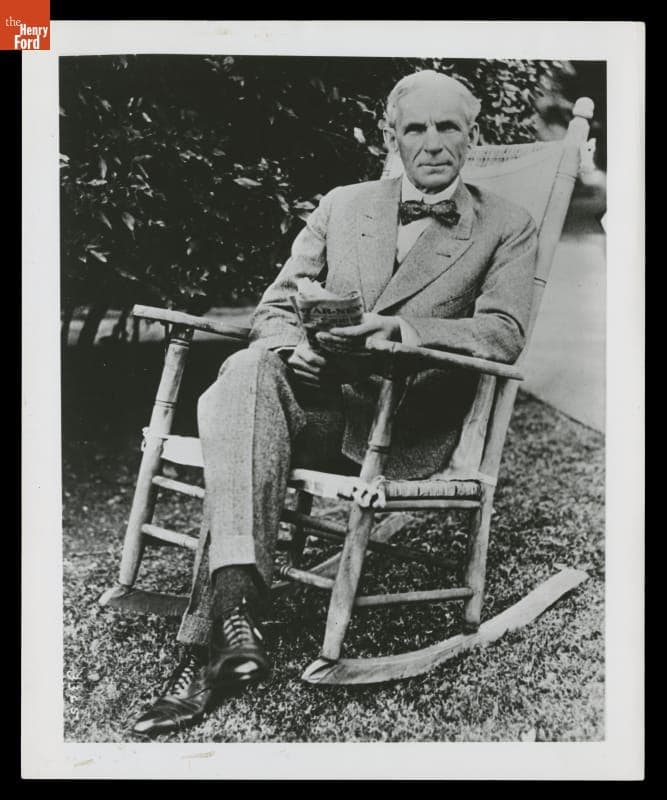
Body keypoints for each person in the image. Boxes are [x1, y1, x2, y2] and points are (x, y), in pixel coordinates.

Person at [132, 70, 538, 736]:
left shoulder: (506, 228)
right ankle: (236, 616)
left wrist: (406, 335)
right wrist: (296, 347)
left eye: (448, 128)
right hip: (317, 402)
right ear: (390, 136)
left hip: (396, 423)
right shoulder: (344, 204)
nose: (432, 144)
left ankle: (203, 644)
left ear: (473, 136)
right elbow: (276, 305)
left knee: (239, 401)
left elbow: (502, 331)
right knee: (248, 368)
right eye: (415, 128)